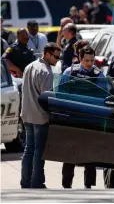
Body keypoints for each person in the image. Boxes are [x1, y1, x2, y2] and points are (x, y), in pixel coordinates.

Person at [59, 45, 105, 189]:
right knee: (70, 152)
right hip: (73, 117)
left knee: (90, 151)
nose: (90, 64)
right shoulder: (69, 72)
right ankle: (66, 184)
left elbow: (104, 96)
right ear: (80, 58)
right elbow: (61, 93)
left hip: (90, 118)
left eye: (92, 60)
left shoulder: (99, 75)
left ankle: (88, 185)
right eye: (86, 60)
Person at [20, 43, 62, 188]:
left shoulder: (29, 66)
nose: (57, 60)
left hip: (27, 114)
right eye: (56, 57)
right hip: (40, 116)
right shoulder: (46, 71)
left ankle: (25, 182)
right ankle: (37, 182)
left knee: (28, 149)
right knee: (39, 151)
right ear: (47, 54)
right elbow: (48, 99)